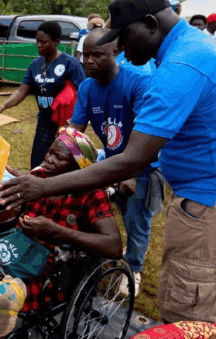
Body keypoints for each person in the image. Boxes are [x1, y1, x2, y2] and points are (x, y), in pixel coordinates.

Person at [0, 0, 216, 324]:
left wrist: (41, 187)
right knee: (179, 296)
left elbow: (132, 160)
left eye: (124, 37)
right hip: (208, 192)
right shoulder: (189, 48)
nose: (121, 48)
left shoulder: (182, 64)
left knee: (187, 313)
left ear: (150, 24)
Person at [0, 127, 122, 313]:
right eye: (50, 152)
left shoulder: (92, 195)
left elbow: (114, 246)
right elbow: (3, 189)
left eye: (58, 157)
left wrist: (56, 231)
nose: (48, 159)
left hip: (50, 271)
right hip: (17, 249)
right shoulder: (40, 177)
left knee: (3, 298)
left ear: (78, 168)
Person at [70, 28, 156, 296]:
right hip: (111, 163)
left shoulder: (138, 84)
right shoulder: (87, 87)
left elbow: (146, 134)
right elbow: (74, 131)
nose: (88, 61)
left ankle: (134, 269)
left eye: (97, 55)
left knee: (136, 221)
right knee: (98, 213)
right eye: (85, 55)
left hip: (142, 166)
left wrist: (130, 173)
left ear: (116, 53)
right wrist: (55, 158)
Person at [0, 21, 85, 169]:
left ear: (56, 41)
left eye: (43, 42)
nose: (39, 45)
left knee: (61, 167)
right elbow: (22, 90)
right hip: (44, 123)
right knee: (37, 165)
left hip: (65, 125)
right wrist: (4, 105)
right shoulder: (35, 65)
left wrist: (70, 124)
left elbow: (83, 95)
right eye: (37, 41)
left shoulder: (71, 64)